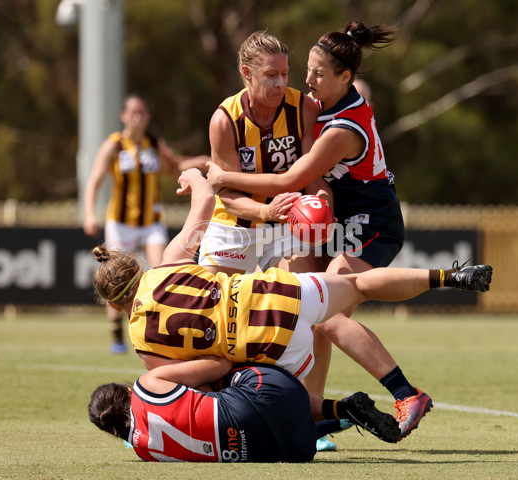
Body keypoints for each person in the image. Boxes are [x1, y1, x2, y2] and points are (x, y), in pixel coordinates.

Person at [91, 168, 493, 443]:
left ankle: (343, 412)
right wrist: (193, 177)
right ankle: (450, 276)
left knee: (276, 400)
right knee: (357, 284)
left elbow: (212, 373)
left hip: (273, 345)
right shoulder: (168, 262)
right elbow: (203, 201)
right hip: (279, 293)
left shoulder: (144, 347)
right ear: (136, 266)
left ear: (112, 303)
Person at [205, 21, 427, 442]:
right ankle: (313, 414)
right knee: (306, 309)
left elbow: (295, 179)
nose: (305, 82)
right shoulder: (314, 104)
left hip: (370, 226)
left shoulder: (344, 126)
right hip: (332, 221)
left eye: (316, 74)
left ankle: (407, 394)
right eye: (303, 70)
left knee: (327, 314)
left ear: (346, 79)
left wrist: (221, 180)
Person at [83, 92, 209, 354]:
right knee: (115, 276)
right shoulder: (114, 145)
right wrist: (88, 214)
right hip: (121, 222)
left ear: (148, 116)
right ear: (123, 116)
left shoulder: (153, 143)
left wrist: (196, 162)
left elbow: (173, 167)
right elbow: (94, 180)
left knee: (164, 269)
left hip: (151, 221)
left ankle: (161, 327)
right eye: (133, 112)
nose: (138, 117)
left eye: (142, 112)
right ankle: (117, 336)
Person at [88, 359, 399, 462]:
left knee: (249, 428)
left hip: (294, 450)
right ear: (127, 392)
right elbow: (219, 366)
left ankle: (340, 415)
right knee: (230, 366)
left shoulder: (143, 451)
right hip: (275, 391)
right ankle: (341, 407)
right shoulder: (146, 384)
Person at [198, 31, 327, 276]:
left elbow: (313, 178)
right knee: (211, 308)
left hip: (290, 224)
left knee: (302, 302)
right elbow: (227, 194)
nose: (281, 83)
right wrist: (266, 212)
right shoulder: (225, 121)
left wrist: (322, 207)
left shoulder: (303, 109)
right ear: (247, 73)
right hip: (236, 225)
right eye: (271, 75)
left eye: (285, 74)